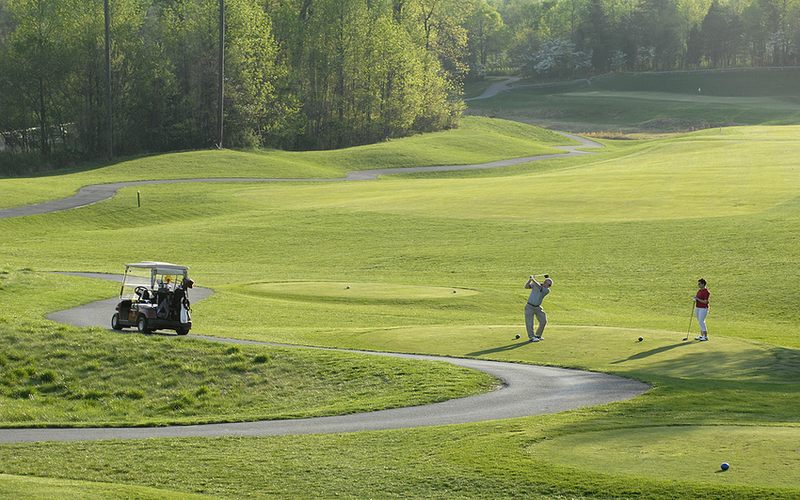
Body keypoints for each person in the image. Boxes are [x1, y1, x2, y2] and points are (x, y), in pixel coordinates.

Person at [524, 275, 552, 342]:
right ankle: (532, 337)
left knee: (543, 321)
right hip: (529, 306)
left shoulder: (547, 290)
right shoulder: (535, 285)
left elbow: (539, 287)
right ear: (544, 282)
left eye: (550, 285)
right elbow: (526, 286)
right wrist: (530, 280)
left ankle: (538, 335)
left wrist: (533, 279)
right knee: (530, 323)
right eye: (548, 284)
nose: (549, 286)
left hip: (538, 307)